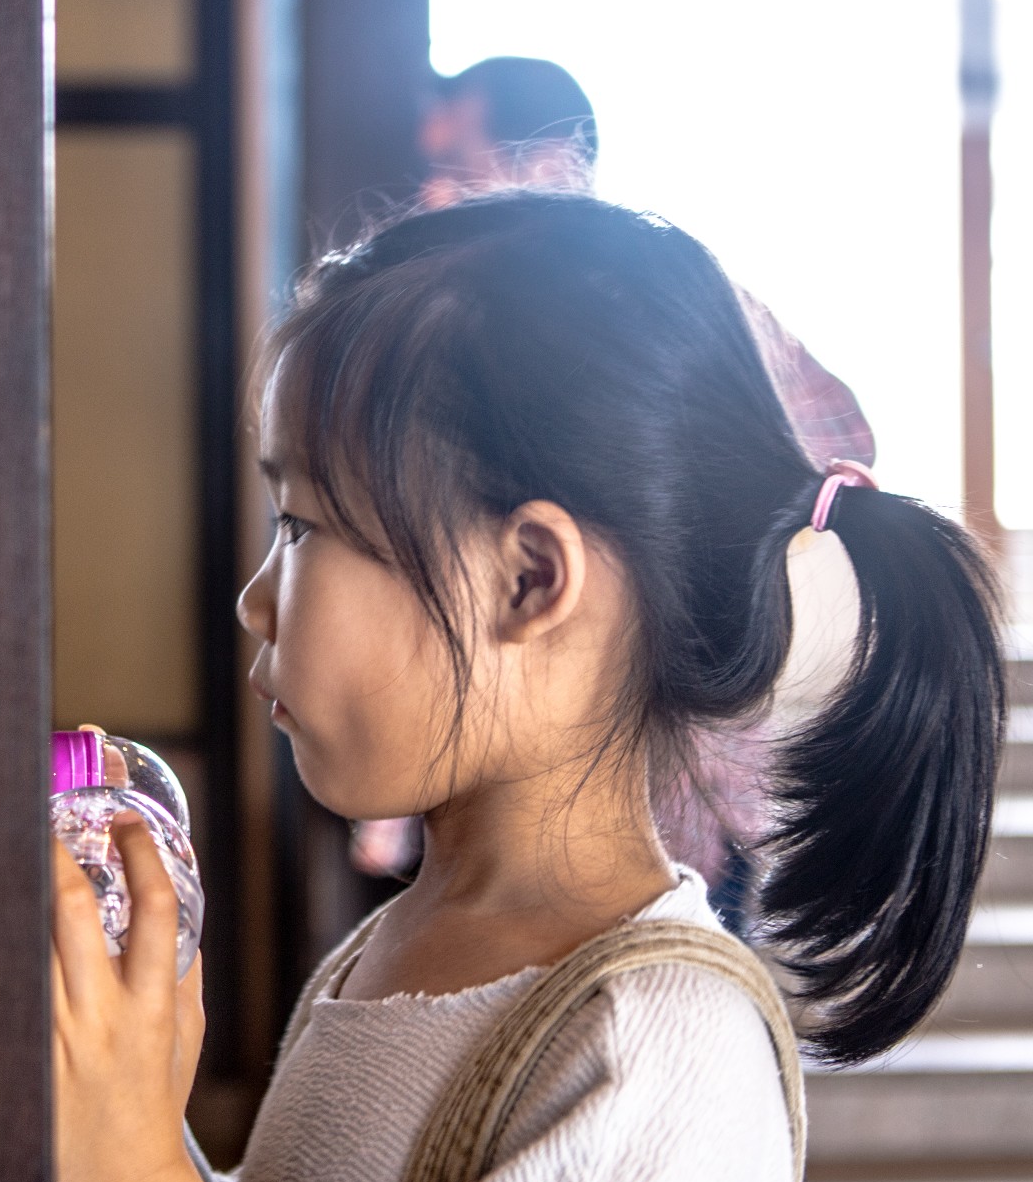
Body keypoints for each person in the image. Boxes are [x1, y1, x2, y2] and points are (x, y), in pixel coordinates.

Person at [51, 194, 1002, 1182]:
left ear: (527, 580)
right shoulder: (405, 940)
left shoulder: (648, 1051)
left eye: (301, 526)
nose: (254, 600)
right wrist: (131, 1129)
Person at [350, 58, 875, 909]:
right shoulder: (460, 326)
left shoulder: (668, 304)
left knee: (666, 1004)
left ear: (551, 157)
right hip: (501, 769)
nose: (434, 193)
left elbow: (833, 448)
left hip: (666, 768)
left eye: (458, 163)